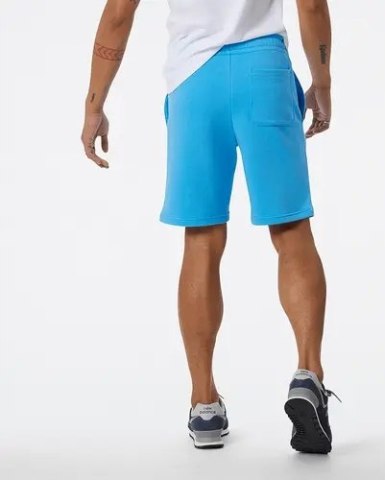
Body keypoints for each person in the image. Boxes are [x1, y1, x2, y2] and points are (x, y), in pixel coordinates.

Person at [81, 0, 339, 453]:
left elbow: (119, 13)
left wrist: (94, 105)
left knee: (201, 238)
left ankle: (204, 404)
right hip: (264, 71)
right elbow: (312, 5)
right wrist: (322, 82)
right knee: (291, 230)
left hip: (194, 80)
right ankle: (308, 376)